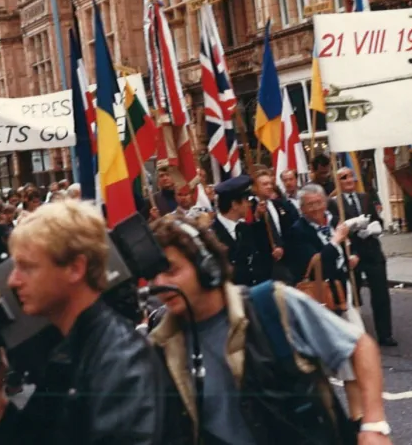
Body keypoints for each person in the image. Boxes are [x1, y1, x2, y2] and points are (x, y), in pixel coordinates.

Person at [148, 214, 393, 444]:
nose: (159, 284)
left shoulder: (273, 304)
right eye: (152, 275)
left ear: (207, 266)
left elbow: (360, 346)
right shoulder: (162, 344)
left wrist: (374, 424)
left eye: (171, 270)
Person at [0, 200, 183, 444]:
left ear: (75, 268)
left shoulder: (120, 359)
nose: (13, 281)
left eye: (27, 267)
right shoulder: (71, 346)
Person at [330, 168, 397, 347]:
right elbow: (337, 228)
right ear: (338, 183)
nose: (349, 180)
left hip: (372, 251)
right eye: (344, 178)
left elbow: (378, 220)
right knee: (353, 297)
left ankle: (385, 334)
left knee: (381, 294)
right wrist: (350, 244)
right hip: (352, 254)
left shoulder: (365, 198)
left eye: (351, 176)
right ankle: (355, 334)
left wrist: (375, 228)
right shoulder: (334, 203)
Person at [288, 184, 359, 306]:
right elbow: (317, 263)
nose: (316, 208)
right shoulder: (298, 231)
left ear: (325, 203)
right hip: (322, 292)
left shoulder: (336, 221)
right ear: (302, 208)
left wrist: (354, 255)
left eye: (319, 202)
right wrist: (335, 241)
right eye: (310, 204)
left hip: (346, 285)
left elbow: (353, 244)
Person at [210, 175, 265, 286]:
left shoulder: (244, 228)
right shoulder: (212, 235)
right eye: (246, 200)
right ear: (234, 204)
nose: (249, 204)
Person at [251, 168, 299, 283]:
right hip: (264, 263)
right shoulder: (250, 207)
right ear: (255, 187)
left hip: (285, 259)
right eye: (264, 184)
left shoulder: (278, 205)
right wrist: (257, 216)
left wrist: (282, 246)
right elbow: (250, 232)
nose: (269, 187)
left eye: (270, 183)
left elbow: (288, 229)